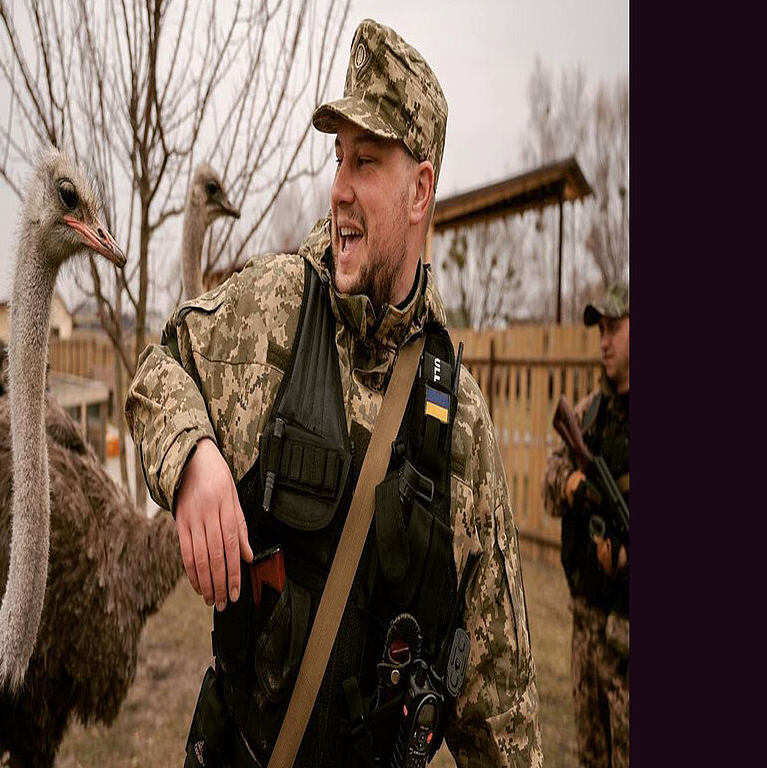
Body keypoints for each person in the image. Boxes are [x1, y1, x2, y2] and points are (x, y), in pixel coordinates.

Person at [126, 18, 541, 768]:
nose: (340, 189)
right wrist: (192, 458)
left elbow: (503, 704)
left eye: (367, 162)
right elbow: (160, 373)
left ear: (420, 191)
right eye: (339, 157)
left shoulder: (461, 426)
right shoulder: (274, 311)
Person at [542, 281, 629, 768]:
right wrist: (573, 484)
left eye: (615, 328)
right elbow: (548, 482)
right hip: (585, 628)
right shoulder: (588, 415)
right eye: (600, 330)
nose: (605, 341)